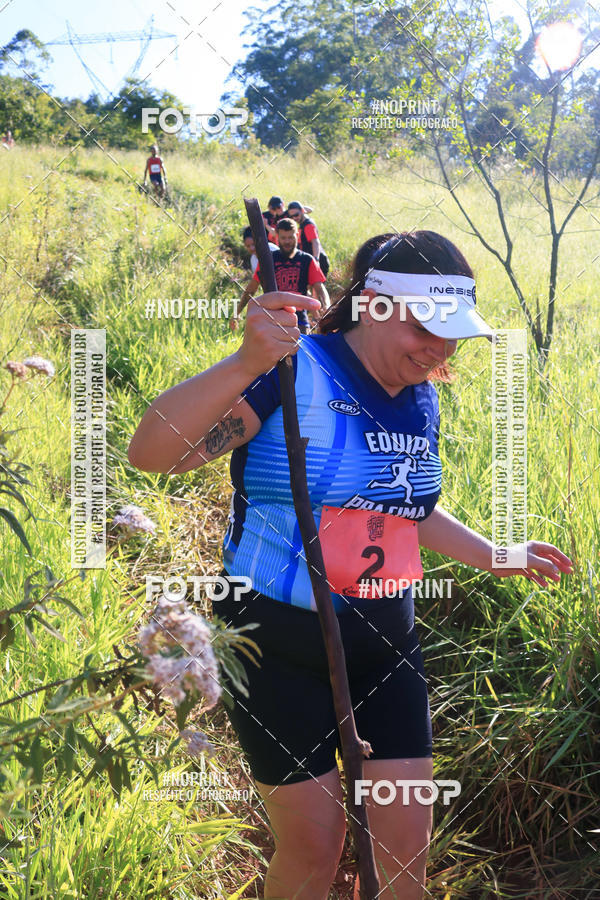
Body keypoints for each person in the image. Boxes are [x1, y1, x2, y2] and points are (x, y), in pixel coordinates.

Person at [127, 229, 573, 900]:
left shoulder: (420, 393)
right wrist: (243, 362)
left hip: (386, 641)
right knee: (313, 850)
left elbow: (406, 509)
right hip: (270, 640)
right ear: (375, 305)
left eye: (455, 333)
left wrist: (494, 555)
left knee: (401, 859)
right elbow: (156, 454)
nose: (441, 348)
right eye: (428, 327)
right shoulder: (291, 371)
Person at [231, 217, 329, 333]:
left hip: (299, 320)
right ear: (277, 237)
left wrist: (326, 307)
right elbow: (252, 289)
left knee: (301, 349)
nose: (287, 241)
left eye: (290, 237)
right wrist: (237, 312)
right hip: (273, 317)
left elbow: (320, 288)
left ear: (297, 235)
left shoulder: (307, 260)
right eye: (283, 238)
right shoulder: (268, 260)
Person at [286, 200, 330, 276]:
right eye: (291, 216)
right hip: (309, 262)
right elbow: (309, 210)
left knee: (317, 287)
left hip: (317, 262)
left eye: (296, 215)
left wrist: (316, 260)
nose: (294, 218)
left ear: (303, 211)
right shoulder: (303, 222)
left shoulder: (308, 225)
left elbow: (315, 242)